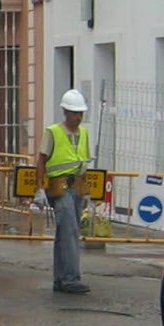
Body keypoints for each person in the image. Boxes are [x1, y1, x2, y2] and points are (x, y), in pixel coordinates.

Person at [37, 88, 93, 294]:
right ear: (65, 112)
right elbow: (41, 160)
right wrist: (40, 189)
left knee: (64, 234)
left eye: (80, 113)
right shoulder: (53, 132)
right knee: (70, 233)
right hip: (59, 188)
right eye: (74, 112)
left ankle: (60, 279)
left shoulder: (84, 134)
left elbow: (83, 163)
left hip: (76, 188)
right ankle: (71, 279)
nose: (78, 117)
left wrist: (86, 192)